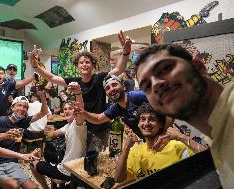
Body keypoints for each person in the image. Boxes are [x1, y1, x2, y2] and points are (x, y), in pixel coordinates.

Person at [135, 43, 233, 188]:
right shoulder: (218, 133)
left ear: (198, 67)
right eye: (147, 86)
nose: (155, 85)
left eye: (165, 68)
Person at [30, 31, 132, 149]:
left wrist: (126, 52)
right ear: (77, 66)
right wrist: (35, 66)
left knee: (97, 158)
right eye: (81, 62)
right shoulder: (74, 81)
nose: (84, 64)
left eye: (87, 62)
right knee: (81, 159)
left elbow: (119, 69)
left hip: (100, 126)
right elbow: (52, 77)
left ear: (93, 65)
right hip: (81, 126)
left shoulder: (100, 78)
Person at [114, 103, 206, 183]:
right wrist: (126, 148)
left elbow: (208, 157)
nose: (146, 123)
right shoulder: (134, 151)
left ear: (161, 124)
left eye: (152, 119)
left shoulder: (176, 146)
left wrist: (181, 137)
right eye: (142, 119)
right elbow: (118, 179)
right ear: (138, 124)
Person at [0, 92, 48, 189]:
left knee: (33, 187)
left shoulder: (23, 122)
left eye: (25, 107)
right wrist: (5, 135)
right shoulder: (2, 120)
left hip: (12, 164)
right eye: (19, 105)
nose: (22, 108)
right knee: (13, 185)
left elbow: (43, 112)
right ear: (12, 107)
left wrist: (42, 96)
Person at [32, 83, 86, 189]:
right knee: (44, 158)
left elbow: (80, 112)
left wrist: (78, 93)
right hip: (69, 166)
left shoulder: (78, 124)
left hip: (67, 171)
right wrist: (46, 130)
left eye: (70, 108)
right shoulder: (68, 125)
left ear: (75, 110)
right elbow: (53, 134)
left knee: (33, 163)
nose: (67, 111)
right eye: (65, 109)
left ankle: (45, 187)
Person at [76, 75, 147, 139]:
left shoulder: (136, 96)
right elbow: (98, 118)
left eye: (114, 85)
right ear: (107, 94)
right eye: (107, 88)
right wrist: (83, 112)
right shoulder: (116, 108)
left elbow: (157, 97)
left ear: (123, 86)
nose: (112, 89)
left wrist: (159, 135)